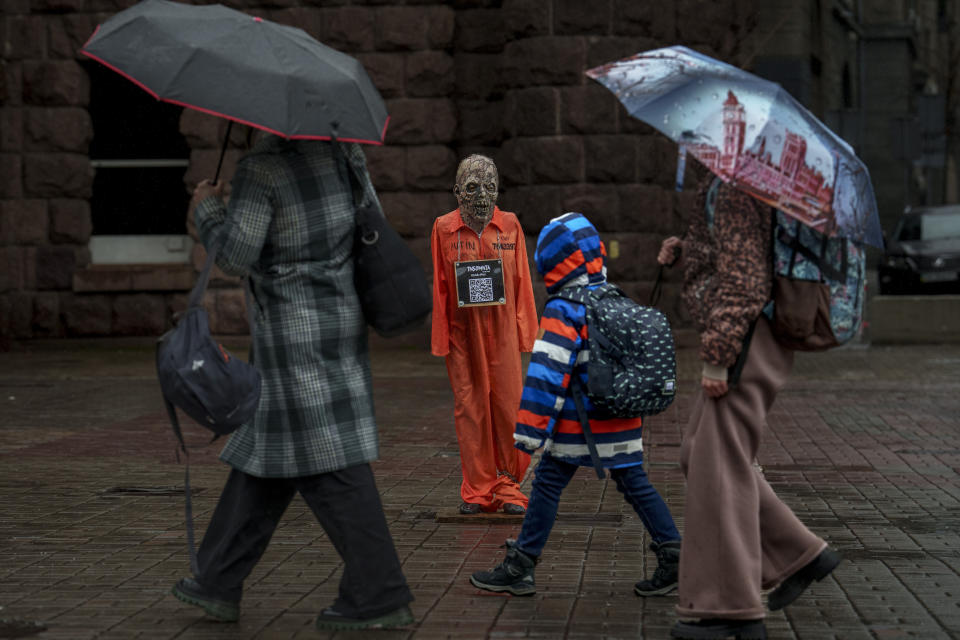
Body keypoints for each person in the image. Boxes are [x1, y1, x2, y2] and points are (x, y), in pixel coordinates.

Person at [170, 131, 414, 631]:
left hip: (290, 333)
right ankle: (218, 579)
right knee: (268, 453)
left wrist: (208, 210)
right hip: (341, 317)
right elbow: (370, 223)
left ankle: (380, 592)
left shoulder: (262, 169)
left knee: (331, 462)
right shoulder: (345, 154)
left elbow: (237, 255)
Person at [662, 173, 841, 640]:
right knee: (699, 451)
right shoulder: (750, 178)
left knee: (718, 462)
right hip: (753, 331)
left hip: (746, 336)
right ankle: (799, 555)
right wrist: (690, 249)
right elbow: (744, 250)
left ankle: (728, 611)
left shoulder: (740, 182)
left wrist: (718, 358)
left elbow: (744, 279)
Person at [469, 212, 682, 597]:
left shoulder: (563, 308)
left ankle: (521, 565)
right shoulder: (613, 297)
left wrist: (529, 433)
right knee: (635, 483)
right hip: (621, 419)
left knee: (547, 483)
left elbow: (546, 376)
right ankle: (674, 553)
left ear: (552, 263)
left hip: (575, 426)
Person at [430, 155, 539, 515]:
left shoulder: (509, 225)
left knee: (509, 407)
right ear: (457, 191)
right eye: (473, 187)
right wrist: (442, 337)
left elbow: (522, 279)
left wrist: (527, 334)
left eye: (490, 186)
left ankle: (508, 485)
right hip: (464, 336)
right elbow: (441, 287)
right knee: (471, 409)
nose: (482, 194)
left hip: (503, 332)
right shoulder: (444, 228)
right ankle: (478, 489)